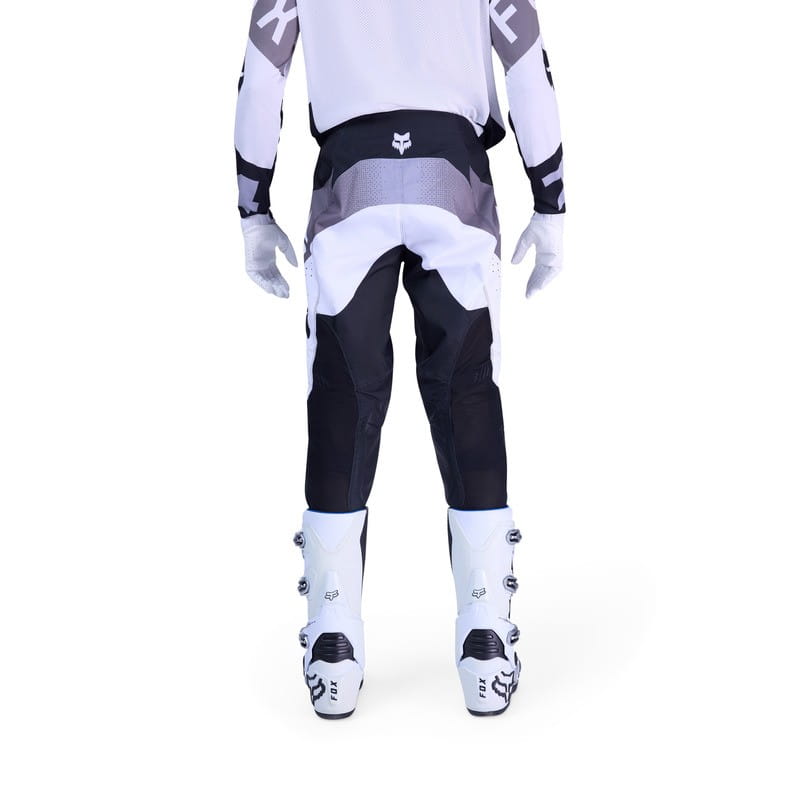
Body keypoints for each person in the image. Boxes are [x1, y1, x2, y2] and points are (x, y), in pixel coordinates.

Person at [235, 0, 565, 719]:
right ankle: (485, 639)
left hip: (350, 179)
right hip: (455, 174)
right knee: (466, 389)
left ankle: (332, 642)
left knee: (343, 394)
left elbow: (262, 76)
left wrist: (252, 210)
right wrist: (552, 201)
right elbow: (527, 64)